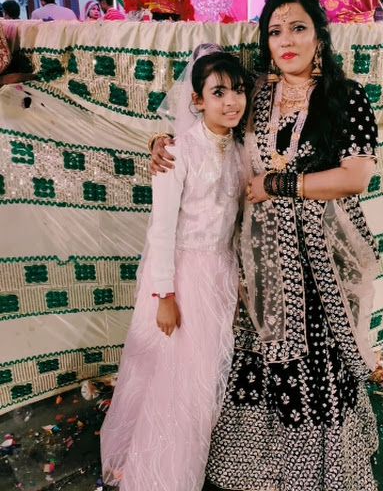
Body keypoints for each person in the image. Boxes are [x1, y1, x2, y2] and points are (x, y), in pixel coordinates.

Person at [151, 0, 380, 489]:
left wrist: (279, 184)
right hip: (260, 256)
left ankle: (318, 467)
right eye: (276, 31)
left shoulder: (345, 96)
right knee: (261, 350)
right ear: (266, 41)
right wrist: (164, 143)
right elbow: (210, 121)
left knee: (317, 353)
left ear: (319, 35)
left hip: (321, 256)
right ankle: (257, 462)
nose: (287, 40)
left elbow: (357, 176)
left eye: (298, 28)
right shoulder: (254, 92)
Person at [100, 44, 248, 490]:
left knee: (201, 378)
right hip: (180, 276)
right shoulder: (176, 152)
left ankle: (184, 462)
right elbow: (161, 229)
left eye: (238, 90)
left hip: (220, 272)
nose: (232, 102)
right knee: (170, 376)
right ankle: (156, 474)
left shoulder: (241, 150)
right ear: (197, 100)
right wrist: (164, 295)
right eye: (218, 92)